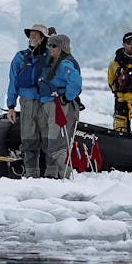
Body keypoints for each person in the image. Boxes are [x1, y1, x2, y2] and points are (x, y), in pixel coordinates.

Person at [6, 24, 50, 177]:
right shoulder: (20, 57)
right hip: (27, 102)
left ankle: (51, 174)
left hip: (46, 103)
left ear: (43, 38)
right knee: (29, 140)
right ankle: (32, 174)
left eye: (35, 35)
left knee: (48, 140)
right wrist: (11, 106)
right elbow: (13, 82)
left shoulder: (51, 57)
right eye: (30, 34)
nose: (32, 37)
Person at [36, 34, 81, 178]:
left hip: (59, 107)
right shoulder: (54, 62)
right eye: (49, 45)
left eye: (54, 46)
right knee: (52, 141)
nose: (50, 48)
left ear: (62, 48)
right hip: (50, 104)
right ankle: (54, 175)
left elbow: (75, 82)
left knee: (58, 142)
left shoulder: (64, 64)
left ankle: (66, 177)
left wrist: (65, 98)